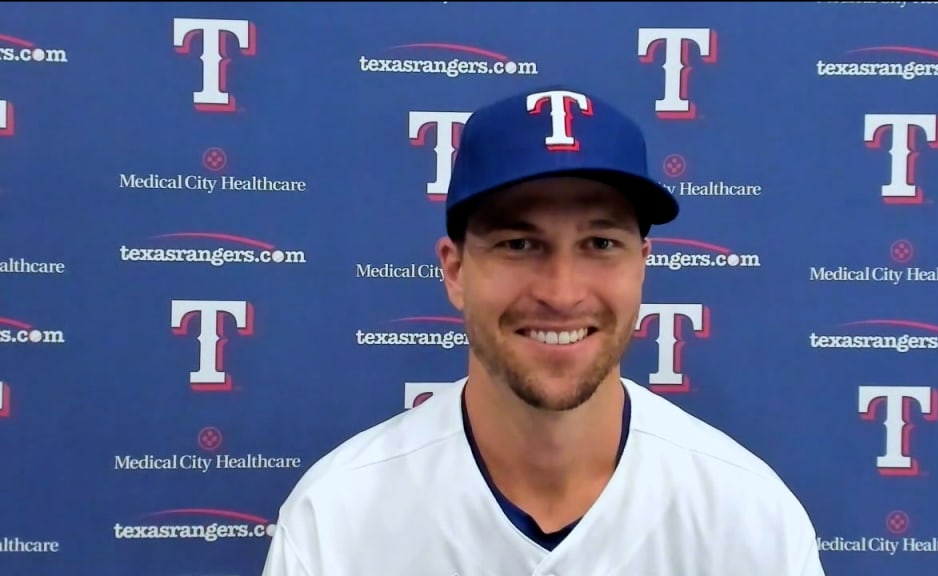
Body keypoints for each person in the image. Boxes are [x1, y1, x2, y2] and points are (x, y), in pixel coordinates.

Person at [260, 85, 827, 576]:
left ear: (642, 265)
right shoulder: (335, 519)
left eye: (600, 244)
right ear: (456, 271)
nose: (561, 292)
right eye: (519, 244)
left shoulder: (751, 520)